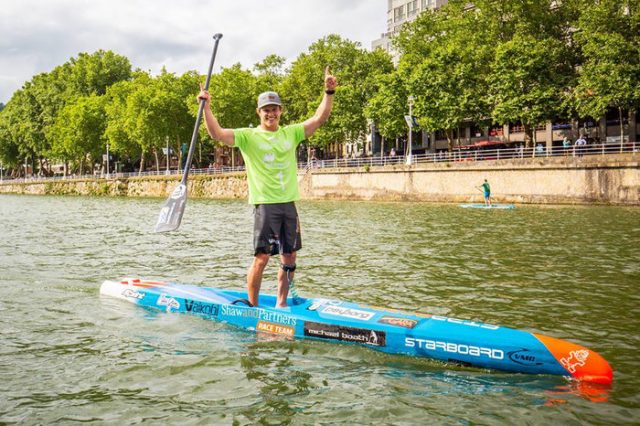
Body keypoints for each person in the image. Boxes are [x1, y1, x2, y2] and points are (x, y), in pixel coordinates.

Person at [197, 66, 337, 308]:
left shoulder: (291, 133)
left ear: (280, 111)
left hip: (289, 204)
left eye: (274, 109)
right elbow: (217, 134)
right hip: (265, 205)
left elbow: (319, 118)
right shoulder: (248, 136)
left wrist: (329, 91)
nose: (270, 113)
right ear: (259, 112)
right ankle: (252, 306)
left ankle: (281, 304)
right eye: (266, 110)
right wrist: (206, 107)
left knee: (290, 256)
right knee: (262, 258)